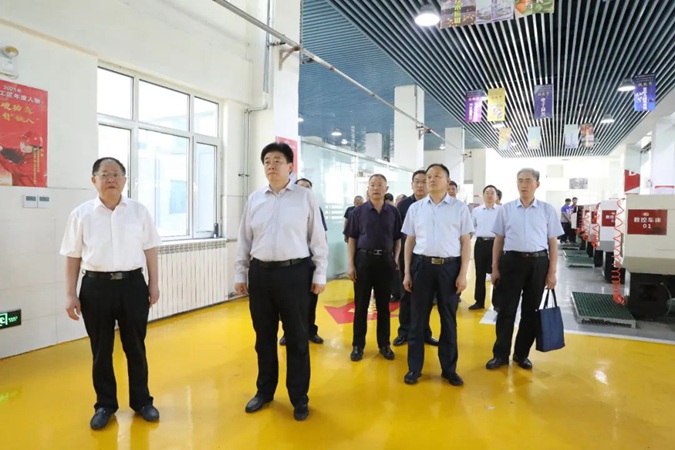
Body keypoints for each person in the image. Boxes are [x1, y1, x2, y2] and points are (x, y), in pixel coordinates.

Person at [59, 157, 161, 430]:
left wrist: (154, 283)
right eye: (104, 174)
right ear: (94, 180)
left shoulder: (139, 212)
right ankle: (105, 405)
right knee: (101, 350)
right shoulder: (81, 214)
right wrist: (70, 294)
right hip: (96, 288)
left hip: (132, 285)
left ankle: (142, 401)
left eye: (116, 174)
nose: (111, 179)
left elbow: (151, 249)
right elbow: (72, 256)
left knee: (136, 347)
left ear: (124, 180)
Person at [235, 142, 328, 422]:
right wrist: (240, 273)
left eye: (277, 160)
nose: (271, 165)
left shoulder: (304, 197)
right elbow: (244, 240)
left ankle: (299, 397)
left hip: (295, 274)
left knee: (297, 338)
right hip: (261, 274)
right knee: (263, 337)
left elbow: (317, 238)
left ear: (290, 166)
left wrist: (319, 274)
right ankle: (264, 391)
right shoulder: (255, 199)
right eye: (267, 161)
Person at [401, 164, 474, 386]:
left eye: (437, 176)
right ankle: (414, 368)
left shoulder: (460, 208)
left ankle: (449, 369)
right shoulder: (416, 208)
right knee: (417, 320)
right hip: (421, 267)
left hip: (449, 269)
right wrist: (407, 272)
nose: (431, 180)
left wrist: (463, 274)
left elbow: (465, 242)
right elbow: (409, 241)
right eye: (428, 177)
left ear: (448, 181)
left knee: (448, 320)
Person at [486, 168, 563, 371]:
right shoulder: (506, 209)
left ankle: (521, 355)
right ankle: (500, 355)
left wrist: (552, 272)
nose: (523, 185)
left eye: (528, 181)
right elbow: (499, 240)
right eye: (520, 180)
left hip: (538, 264)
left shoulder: (547, 210)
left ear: (537, 184)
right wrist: (495, 268)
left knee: (531, 311)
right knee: (506, 310)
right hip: (511, 263)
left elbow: (552, 243)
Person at [345, 174, 402, 362]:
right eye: (372, 185)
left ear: (386, 189)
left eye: (379, 185)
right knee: (361, 305)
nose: (376, 188)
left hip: (385, 261)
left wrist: (395, 259)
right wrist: (351, 264)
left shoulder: (393, 212)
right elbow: (352, 239)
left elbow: (397, 239)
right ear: (368, 188)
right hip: (363, 260)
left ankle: (384, 344)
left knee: (384, 306)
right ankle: (357, 346)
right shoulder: (358, 212)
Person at [279, 177, 327, 346]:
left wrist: (321, 265)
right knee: (288, 301)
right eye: (301, 187)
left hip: (309, 261)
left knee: (310, 300)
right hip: (291, 262)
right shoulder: (286, 207)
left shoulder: (315, 208)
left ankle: (311, 331)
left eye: (308, 187)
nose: (304, 190)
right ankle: (288, 333)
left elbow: (321, 237)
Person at [393, 170, 438, 347]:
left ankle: (425, 332)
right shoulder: (403, 206)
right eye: (416, 182)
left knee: (427, 298)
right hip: (407, 256)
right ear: (412, 184)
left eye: (423, 181)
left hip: (426, 258)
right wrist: (396, 256)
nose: (420, 185)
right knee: (406, 295)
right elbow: (397, 233)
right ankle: (404, 332)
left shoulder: (435, 204)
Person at [469, 185, 501, 310]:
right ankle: (479, 301)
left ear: (496, 196)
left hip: (496, 244)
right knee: (480, 273)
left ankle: (497, 303)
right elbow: (472, 227)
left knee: (496, 272)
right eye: (487, 193)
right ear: (483, 195)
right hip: (481, 244)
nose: (489, 195)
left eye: (492, 193)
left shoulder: (501, 210)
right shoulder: (476, 211)